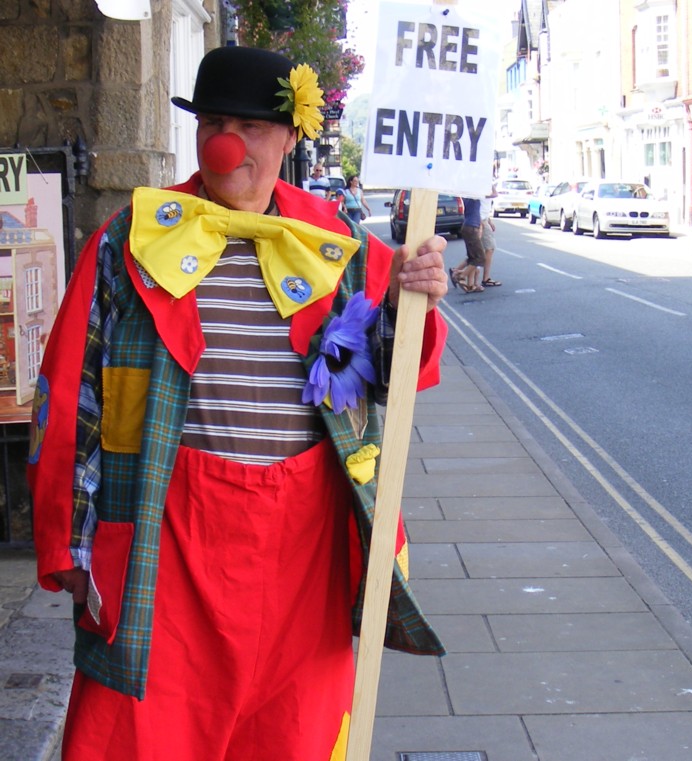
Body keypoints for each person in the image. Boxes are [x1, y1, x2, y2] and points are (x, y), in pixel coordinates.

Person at [27, 46, 449, 760]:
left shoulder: (339, 244)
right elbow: (68, 390)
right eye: (216, 121)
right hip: (170, 541)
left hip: (303, 550)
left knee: (292, 735)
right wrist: (65, 537)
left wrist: (419, 295)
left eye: (251, 126)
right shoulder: (131, 239)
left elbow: (399, 369)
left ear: (289, 137)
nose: (230, 142)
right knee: (144, 733)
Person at [450, 196, 485, 293]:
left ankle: (469, 284)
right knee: (480, 258)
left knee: (472, 258)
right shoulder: (473, 196)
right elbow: (493, 193)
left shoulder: (468, 196)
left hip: (469, 227)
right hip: (471, 228)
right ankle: (460, 276)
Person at [480, 185, 501, 287]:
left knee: (478, 250)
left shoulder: (482, 186)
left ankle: (457, 270)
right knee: (489, 248)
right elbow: (495, 194)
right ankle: (485, 278)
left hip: (483, 219)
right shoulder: (481, 186)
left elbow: (484, 206)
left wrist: (489, 221)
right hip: (481, 220)